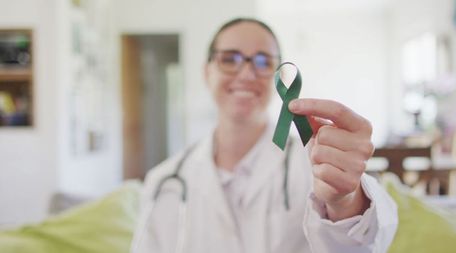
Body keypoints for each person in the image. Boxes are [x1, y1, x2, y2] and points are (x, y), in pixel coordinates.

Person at [131, 17, 398, 253]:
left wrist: (345, 201)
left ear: (279, 76)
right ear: (206, 71)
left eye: (263, 62)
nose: (247, 73)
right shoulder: (164, 181)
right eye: (229, 59)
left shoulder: (318, 162)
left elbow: (367, 243)